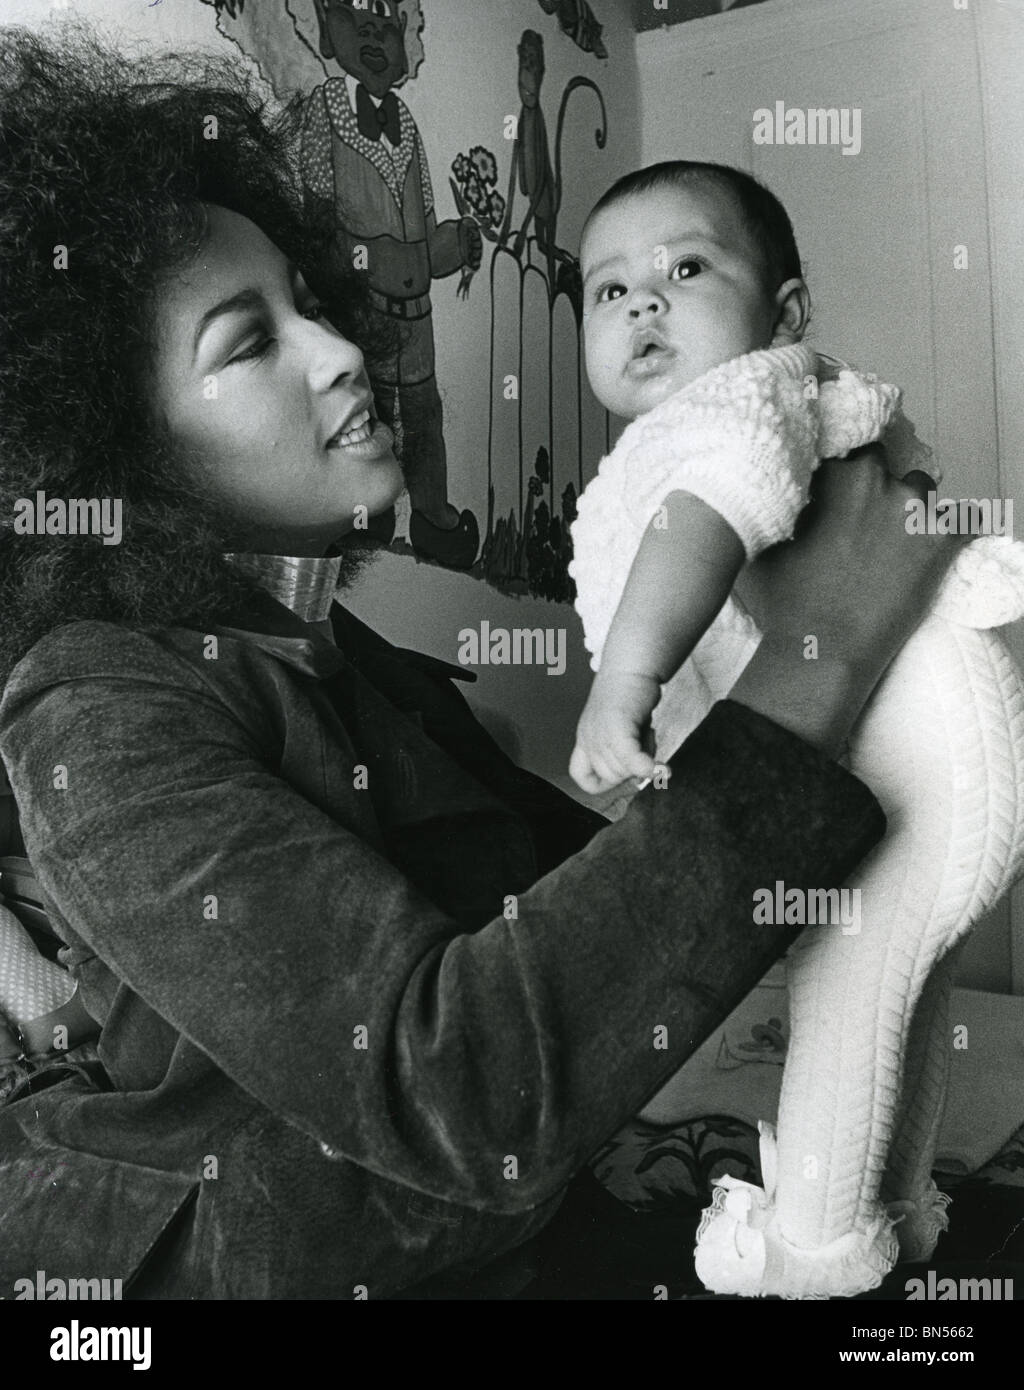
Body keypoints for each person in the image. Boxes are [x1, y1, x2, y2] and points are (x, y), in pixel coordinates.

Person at [0, 29, 958, 1300]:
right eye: (247, 342)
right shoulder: (94, 717)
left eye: (309, 301)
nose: (341, 351)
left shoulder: (354, 662)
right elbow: (461, 1086)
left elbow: (593, 908)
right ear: (118, 455)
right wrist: (819, 650)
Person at [568, 161, 1024, 1297]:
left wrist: (622, 683)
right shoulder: (742, 410)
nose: (644, 304)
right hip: (942, 759)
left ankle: (813, 1250)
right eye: (607, 290)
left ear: (782, 313)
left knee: (842, 990)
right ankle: (900, 1213)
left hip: (911, 762)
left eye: (685, 268)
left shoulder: (740, 401)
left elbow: (706, 512)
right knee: (897, 998)